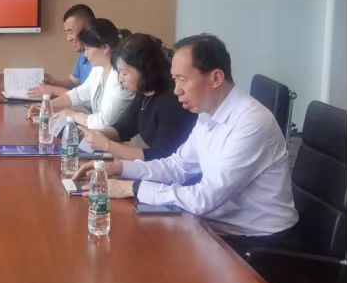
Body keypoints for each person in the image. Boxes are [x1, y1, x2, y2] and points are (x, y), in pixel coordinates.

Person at [75, 34, 298, 253]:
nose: (176, 90)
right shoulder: (208, 112)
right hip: (215, 228)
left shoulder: (252, 123)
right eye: (174, 80)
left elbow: (205, 198)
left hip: (257, 244)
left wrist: (132, 188)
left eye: (183, 80)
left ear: (216, 78)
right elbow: (177, 166)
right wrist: (120, 168)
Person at [80, 33, 196, 161]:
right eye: (119, 73)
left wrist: (108, 145)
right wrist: (96, 134)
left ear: (144, 69)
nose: (120, 79)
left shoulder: (172, 100)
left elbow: (161, 156)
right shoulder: (144, 92)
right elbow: (123, 128)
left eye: (124, 73)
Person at [27, 18, 134, 130]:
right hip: (100, 134)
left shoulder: (120, 77)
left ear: (105, 48)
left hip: (117, 138)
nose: (85, 55)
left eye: (87, 49)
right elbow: (78, 94)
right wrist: (47, 106)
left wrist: (73, 115)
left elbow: (103, 122)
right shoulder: (99, 69)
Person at [27, 4, 95, 98]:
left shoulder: (100, 58)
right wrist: (54, 82)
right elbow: (74, 82)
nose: (68, 39)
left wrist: (54, 90)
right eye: (66, 33)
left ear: (87, 28)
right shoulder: (84, 53)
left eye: (70, 32)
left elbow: (86, 98)